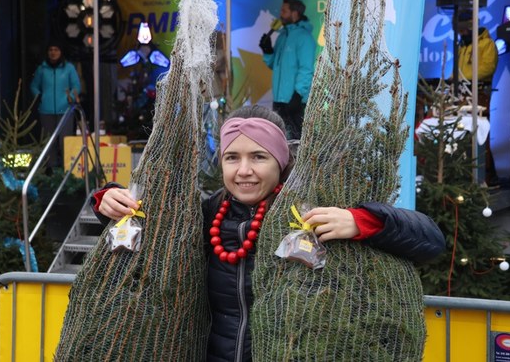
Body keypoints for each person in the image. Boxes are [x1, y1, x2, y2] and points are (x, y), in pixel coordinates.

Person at [92, 105, 445, 361]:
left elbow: (430, 241)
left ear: (281, 161)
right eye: (232, 158)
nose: (244, 171)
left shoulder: (312, 211)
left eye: (258, 157)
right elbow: (144, 226)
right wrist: (106, 199)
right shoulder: (204, 214)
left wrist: (363, 222)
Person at [259, 0, 316, 140]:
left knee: (296, 142)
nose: (280, 14)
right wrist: (268, 50)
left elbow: (306, 69)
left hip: (294, 102)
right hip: (279, 100)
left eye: (284, 11)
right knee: (280, 141)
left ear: (295, 13)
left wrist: (298, 95)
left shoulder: (304, 38)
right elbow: (274, 65)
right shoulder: (282, 36)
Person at [456, 10, 499, 184]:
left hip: (480, 94)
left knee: (481, 134)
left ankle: (487, 176)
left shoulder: (487, 43)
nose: (463, 32)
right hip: (463, 93)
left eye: (465, 28)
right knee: (465, 135)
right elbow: (458, 70)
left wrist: (463, 78)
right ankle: (469, 175)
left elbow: (488, 68)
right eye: (460, 29)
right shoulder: (463, 45)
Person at [30, 40, 81, 170]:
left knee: (65, 141)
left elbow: (76, 86)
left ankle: (68, 170)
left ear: (61, 52)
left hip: (65, 110)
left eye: (56, 50)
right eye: (50, 50)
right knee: (49, 142)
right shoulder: (42, 69)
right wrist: (40, 96)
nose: (53, 53)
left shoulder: (69, 68)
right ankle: (51, 169)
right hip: (46, 111)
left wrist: (70, 96)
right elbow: (34, 86)